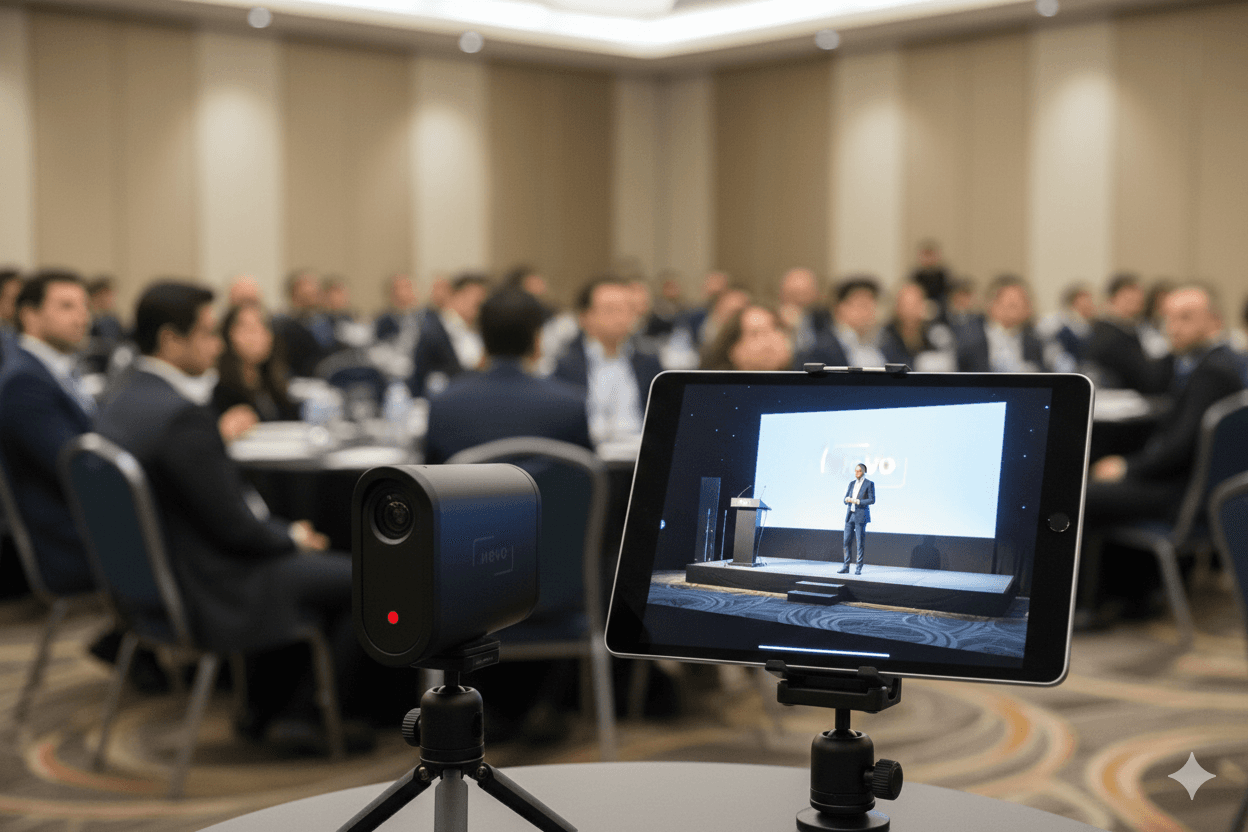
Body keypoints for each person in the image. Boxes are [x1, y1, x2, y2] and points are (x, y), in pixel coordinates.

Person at [97, 281, 377, 750]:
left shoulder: (123, 400)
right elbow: (235, 528)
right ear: (170, 340)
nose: (217, 343)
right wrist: (291, 536)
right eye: (207, 333)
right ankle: (306, 713)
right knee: (369, 577)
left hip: (153, 581)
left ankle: (265, 706)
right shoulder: (181, 415)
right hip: (212, 585)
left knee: (312, 563)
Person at [1081, 284, 1244, 619]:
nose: (1173, 327)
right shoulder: (1220, 362)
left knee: (1082, 494)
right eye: (1167, 318)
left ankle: (1089, 608)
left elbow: (1177, 450)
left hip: (1180, 498)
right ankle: (1135, 596)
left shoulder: (1212, 372)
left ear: (1214, 320)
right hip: (1195, 492)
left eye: (1185, 318)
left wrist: (1127, 468)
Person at [0, 270, 96, 593]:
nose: (82, 316)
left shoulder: (53, 369)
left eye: (84, 305)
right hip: (69, 539)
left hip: (86, 522)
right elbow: (76, 467)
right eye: (67, 306)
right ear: (29, 315)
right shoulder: (24, 382)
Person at [424, 287, 592, 464]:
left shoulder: (443, 405)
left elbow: (428, 482)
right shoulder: (571, 405)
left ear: (482, 339)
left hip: (472, 492)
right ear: (537, 339)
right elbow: (586, 481)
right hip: (547, 493)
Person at [553, 276, 661, 446]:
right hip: (586, 458)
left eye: (627, 309)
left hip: (640, 457)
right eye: (610, 310)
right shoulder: (564, 364)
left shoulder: (649, 361)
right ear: (584, 317)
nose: (621, 317)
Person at [213, 302, 298, 426]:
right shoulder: (221, 392)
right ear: (228, 335)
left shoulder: (273, 383)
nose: (258, 335)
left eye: (263, 326)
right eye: (248, 328)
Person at [1083, 273, 1169, 393]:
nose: (1138, 300)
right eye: (1129, 299)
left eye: (1139, 297)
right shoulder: (1108, 334)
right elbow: (1144, 377)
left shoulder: (1132, 329)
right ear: (1112, 298)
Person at [798, 277, 908, 369]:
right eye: (862, 305)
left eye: (872, 305)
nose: (868, 312)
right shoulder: (819, 349)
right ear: (840, 308)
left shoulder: (888, 343)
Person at [409, 272, 489, 397]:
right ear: (456, 296)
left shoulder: (474, 333)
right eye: (475, 302)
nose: (477, 309)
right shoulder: (431, 330)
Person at [954, 275, 1048, 373]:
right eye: (1012, 305)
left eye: (1024, 301)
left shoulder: (1035, 338)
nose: (1022, 306)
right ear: (991, 304)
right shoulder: (968, 335)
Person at [271, 270, 334, 377]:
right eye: (309, 285)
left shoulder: (324, 321)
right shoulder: (282, 324)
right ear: (294, 291)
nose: (315, 289)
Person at [699, 304, 793, 372]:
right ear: (732, 349)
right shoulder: (713, 390)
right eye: (755, 333)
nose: (770, 341)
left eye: (775, 329)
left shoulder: (801, 385)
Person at [839, 463, 875, 575]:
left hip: (861, 515)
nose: (856, 473)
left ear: (863, 471)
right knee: (846, 541)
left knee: (859, 543)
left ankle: (858, 567)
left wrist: (858, 501)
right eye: (855, 471)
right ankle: (846, 566)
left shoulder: (869, 483)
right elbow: (844, 499)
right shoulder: (851, 483)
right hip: (850, 515)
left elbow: (872, 500)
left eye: (859, 471)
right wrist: (847, 499)